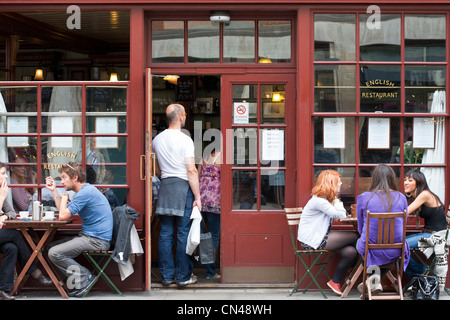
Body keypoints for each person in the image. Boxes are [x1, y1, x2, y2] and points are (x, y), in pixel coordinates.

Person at [45, 162, 113, 297]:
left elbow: (62, 216)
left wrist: (64, 196)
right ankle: (73, 281)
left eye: (64, 178)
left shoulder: (85, 193)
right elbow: (63, 211)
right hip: (89, 237)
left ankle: (85, 277)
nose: (62, 181)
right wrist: (54, 191)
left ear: (75, 177)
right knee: (49, 247)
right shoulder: (84, 191)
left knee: (54, 253)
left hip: (96, 240)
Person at [153, 103, 202, 287]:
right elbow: (191, 171)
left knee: (165, 233)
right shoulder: (185, 140)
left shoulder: (157, 140)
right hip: (183, 187)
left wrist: (165, 176)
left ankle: (166, 276)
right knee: (183, 233)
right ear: (181, 117)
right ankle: (182, 277)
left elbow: (156, 168)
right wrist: (197, 197)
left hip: (166, 186)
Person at [297, 169, 358, 296]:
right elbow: (341, 214)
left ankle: (335, 281)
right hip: (313, 240)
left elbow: (342, 215)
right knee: (355, 236)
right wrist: (335, 198)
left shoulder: (323, 199)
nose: (341, 184)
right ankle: (357, 268)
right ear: (331, 183)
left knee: (351, 252)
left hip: (319, 237)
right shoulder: (319, 200)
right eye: (339, 181)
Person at [0, 162, 52, 301]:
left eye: (6, 173)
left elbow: (11, 212)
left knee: (11, 248)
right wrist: (1, 197)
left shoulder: (1, 191)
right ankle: (34, 271)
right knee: (15, 234)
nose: (6, 177)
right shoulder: (2, 192)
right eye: (3, 173)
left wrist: (4, 216)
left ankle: (3, 290)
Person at [356, 164, 409, 293]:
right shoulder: (401, 197)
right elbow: (404, 222)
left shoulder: (364, 197)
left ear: (374, 178)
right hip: (396, 250)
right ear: (392, 178)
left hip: (370, 248)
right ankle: (374, 279)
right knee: (366, 246)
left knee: (359, 244)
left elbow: (360, 226)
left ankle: (373, 279)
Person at [404, 169, 447, 277]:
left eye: (410, 180)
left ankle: (422, 271)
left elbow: (404, 212)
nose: (406, 182)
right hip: (427, 234)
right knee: (397, 249)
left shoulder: (425, 194)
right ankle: (422, 279)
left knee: (398, 247)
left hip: (434, 236)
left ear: (418, 182)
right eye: (405, 180)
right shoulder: (418, 196)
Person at [198, 145, 221, 279]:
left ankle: (191, 268)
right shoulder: (222, 157)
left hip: (201, 200)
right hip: (215, 202)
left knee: (198, 234)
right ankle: (210, 271)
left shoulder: (204, 157)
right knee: (214, 236)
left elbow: (198, 175)